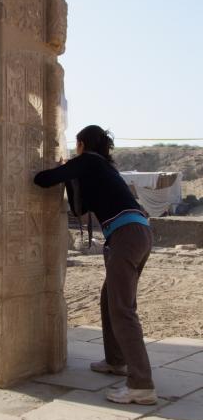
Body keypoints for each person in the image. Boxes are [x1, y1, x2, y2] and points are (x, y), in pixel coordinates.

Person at [34, 125, 157, 405]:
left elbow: (42, 179)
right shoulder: (103, 168)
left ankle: (142, 384)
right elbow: (79, 210)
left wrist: (64, 169)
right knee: (109, 300)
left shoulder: (87, 161)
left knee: (123, 310)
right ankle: (116, 361)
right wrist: (70, 176)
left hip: (126, 236)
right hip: (138, 233)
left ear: (80, 144)